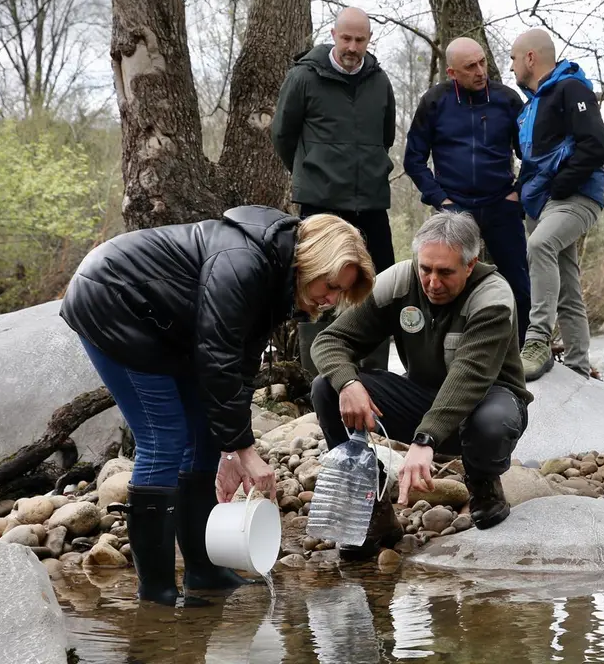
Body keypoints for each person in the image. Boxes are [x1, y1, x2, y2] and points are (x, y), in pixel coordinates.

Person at [59, 206, 375, 606]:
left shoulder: (278, 272)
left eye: (338, 293)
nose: (329, 300)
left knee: (206, 439)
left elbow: (242, 363)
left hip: (166, 322)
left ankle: (205, 572)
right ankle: (155, 596)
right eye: (329, 285)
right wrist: (244, 449)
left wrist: (230, 448)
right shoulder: (243, 262)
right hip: (113, 301)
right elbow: (217, 356)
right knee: (164, 439)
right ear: (312, 260)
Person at [309, 212, 532, 559]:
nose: (432, 282)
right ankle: (371, 507)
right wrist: (349, 382)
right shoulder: (399, 281)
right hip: (423, 399)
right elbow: (329, 341)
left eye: (445, 272)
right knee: (327, 387)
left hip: (485, 404)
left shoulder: (493, 296)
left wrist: (425, 440)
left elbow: (469, 376)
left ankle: (484, 484)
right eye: (425, 269)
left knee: (492, 422)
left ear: (470, 265)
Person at [272, 6, 396, 376]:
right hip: (321, 202)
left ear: (368, 40)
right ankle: (318, 380)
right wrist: (311, 171)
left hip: (370, 199)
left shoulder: (380, 81)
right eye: (346, 38)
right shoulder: (303, 77)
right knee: (317, 284)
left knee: (379, 283)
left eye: (360, 39)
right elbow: (283, 135)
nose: (352, 47)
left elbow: (386, 136)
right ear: (333, 35)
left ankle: (372, 376)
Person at [403, 37, 530, 344]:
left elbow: (531, 153)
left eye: (482, 62)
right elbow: (413, 159)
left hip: (501, 203)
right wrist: (440, 199)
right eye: (470, 66)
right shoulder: (435, 101)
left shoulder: (507, 100)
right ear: (452, 72)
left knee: (518, 284)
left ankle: (523, 349)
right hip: (454, 208)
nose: (480, 71)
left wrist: (518, 192)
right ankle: (448, 350)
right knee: (446, 281)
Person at [509, 29, 604, 381]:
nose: (511, 66)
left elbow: (595, 146)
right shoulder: (532, 106)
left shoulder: (572, 89)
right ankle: (579, 367)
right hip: (542, 204)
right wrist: (520, 192)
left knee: (540, 245)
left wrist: (559, 185)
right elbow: (534, 162)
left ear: (530, 58)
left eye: (513, 58)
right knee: (567, 285)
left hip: (576, 198)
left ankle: (537, 341)